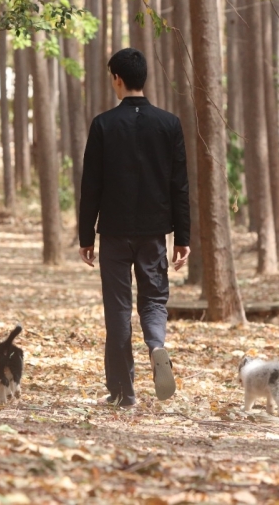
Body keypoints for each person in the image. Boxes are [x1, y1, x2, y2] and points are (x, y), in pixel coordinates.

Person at [78, 48, 191, 407]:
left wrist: (85, 236)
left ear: (117, 78)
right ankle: (156, 346)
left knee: (118, 309)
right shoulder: (169, 123)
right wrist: (183, 237)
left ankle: (123, 392)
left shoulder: (103, 124)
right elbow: (180, 185)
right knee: (154, 300)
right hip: (155, 232)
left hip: (113, 232)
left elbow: (90, 186)